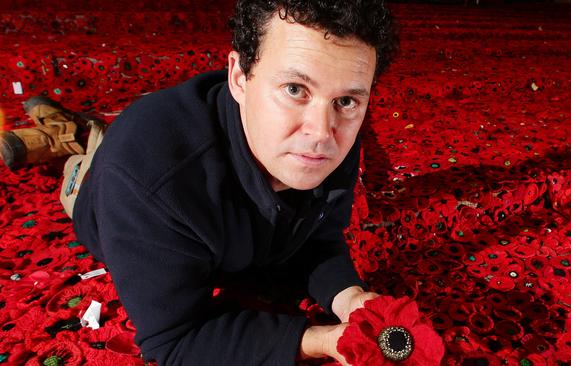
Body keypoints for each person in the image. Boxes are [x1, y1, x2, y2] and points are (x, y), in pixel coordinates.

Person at [0, 0, 397, 364]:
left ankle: (81, 127)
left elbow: (317, 237)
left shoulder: (330, 131)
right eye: (295, 89)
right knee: (84, 163)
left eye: (346, 101)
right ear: (239, 77)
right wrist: (322, 340)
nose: (322, 133)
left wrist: (350, 296)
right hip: (102, 182)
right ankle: (67, 137)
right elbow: (174, 339)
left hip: (172, 143)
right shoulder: (145, 181)